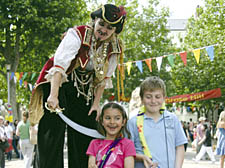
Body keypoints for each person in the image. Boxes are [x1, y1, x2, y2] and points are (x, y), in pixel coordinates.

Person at [28, 4, 127, 168]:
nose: (103, 30)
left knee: (86, 129)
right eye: (101, 24)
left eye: (109, 28)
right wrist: (53, 96)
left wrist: (96, 105)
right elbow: (59, 67)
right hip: (58, 82)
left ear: (115, 31)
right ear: (95, 20)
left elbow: (103, 80)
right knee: (53, 130)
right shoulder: (77, 34)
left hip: (85, 89)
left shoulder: (114, 47)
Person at [127, 76, 188, 168]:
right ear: (142, 99)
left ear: (164, 98)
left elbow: (180, 146)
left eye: (157, 97)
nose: (153, 101)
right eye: (148, 97)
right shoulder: (133, 122)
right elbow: (127, 152)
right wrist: (142, 157)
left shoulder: (172, 119)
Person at [86, 102, 136, 168]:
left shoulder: (128, 144)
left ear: (123, 122)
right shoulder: (94, 144)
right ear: (102, 121)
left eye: (117, 118)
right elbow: (91, 165)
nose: (112, 122)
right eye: (108, 118)